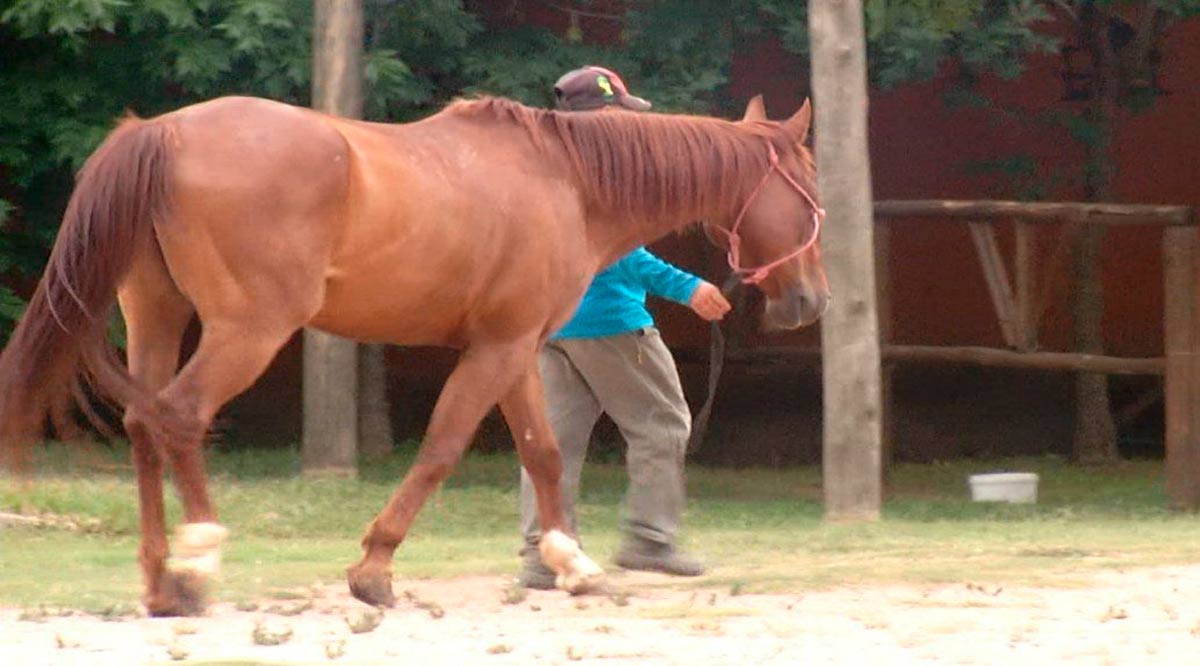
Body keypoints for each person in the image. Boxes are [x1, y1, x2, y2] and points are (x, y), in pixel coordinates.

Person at [517, 66, 733, 589]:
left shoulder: (544, 169)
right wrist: (690, 289)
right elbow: (621, 255)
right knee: (662, 423)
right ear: (605, 112)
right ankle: (650, 539)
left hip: (552, 325)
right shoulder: (600, 171)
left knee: (553, 445)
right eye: (620, 111)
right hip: (612, 323)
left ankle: (543, 553)